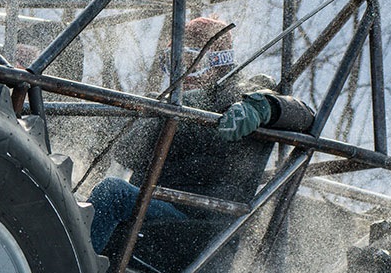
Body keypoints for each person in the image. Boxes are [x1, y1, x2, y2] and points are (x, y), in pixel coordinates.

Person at [87, 16, 315, 254]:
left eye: (193, 64)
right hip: (151, 206)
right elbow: (126, 153)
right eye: (175, 63)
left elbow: (304, 114)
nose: (184, 73)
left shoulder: (239, 95)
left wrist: (265, 106)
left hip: (196, 221)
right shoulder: (169, 104)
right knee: (74, 206)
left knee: (111, 193)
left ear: (218, 64)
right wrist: (162, 116)